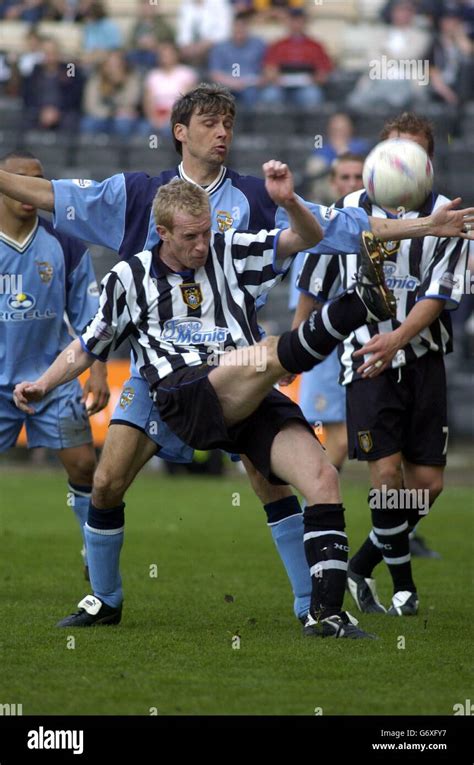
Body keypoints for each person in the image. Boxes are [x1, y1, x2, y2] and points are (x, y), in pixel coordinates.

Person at [1, 84, 472, 625]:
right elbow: (47, 197)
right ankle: (104, 599)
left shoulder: (253, 199)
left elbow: (343, 228)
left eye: (228, 122)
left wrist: (428, 224)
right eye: (209, 122)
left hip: (235, 367)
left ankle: (311, 607)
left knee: (276, 477)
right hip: (161, 376)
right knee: (106, 482)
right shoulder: (133, 195)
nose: (223, 131)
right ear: (180, 131)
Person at [13, 162, 401, 638]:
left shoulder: (229, 250)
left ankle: (322, 613)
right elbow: (87, 346)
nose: (202, 246)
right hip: (181, 392)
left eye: (206, 235)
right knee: (107, 482)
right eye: (191, 238)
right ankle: (104, 600)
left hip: (242, 386)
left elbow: (305, 238)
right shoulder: (128, 278)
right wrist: (44, 384)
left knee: (319, 477)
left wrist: (288, 204)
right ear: (161, 233)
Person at [294, 112, 470, 615]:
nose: (401, 161)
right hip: (366, 361)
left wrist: (398, 337)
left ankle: (362, 561)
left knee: (428, 484)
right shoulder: (350, 209)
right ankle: (405, 587)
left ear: (427, 164)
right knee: (386, 475)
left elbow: (438, 293)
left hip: (424, 357)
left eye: (411, 152)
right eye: (393, 151)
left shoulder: (449, 216)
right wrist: (297, 348)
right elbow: (316, 274)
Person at [0, 150, 109, 578]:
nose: (31, 189)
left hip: (53, 377)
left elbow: (91, 315)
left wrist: (97, 369)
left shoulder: (64, 242)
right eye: (21, 179)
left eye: (39, 180)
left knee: (85, 465)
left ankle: (93, 556)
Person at [286, 153, 366, 470]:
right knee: (340, 440)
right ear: (333, 183)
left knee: (353, 440)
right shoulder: (316, 233)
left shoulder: (374, 230)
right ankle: (316, 507)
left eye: (358, 177)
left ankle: (317, 508)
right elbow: (305, 301)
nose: (351, 183)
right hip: (328, 352)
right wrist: (292, 351)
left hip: (365, 348)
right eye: (344, 177)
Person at [261, 8, 333, 107]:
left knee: (312, 96)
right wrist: (276, 78)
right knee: (270, 96)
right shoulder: (278, 45)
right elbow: (269, 69)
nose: (296, 24)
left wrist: (312, 79)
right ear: (288, 22)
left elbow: (323, 72)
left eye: (299, 21)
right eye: (293, 20)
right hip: (282, 86)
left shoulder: (316, 46)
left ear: (305, 22)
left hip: (307, 86)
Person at [209, 10, 266, 107]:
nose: (239, 32)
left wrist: (262, 79)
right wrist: (233, 82)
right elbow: (215, 74)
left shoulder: (258, 44)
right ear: (231, 28)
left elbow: (267, 68)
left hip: (253, 86)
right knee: (220, 95)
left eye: (242, 28)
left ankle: (250, 121)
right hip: (227, 85)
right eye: (237, 28)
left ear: (247, 28)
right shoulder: (220, 47)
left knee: (264, 94)